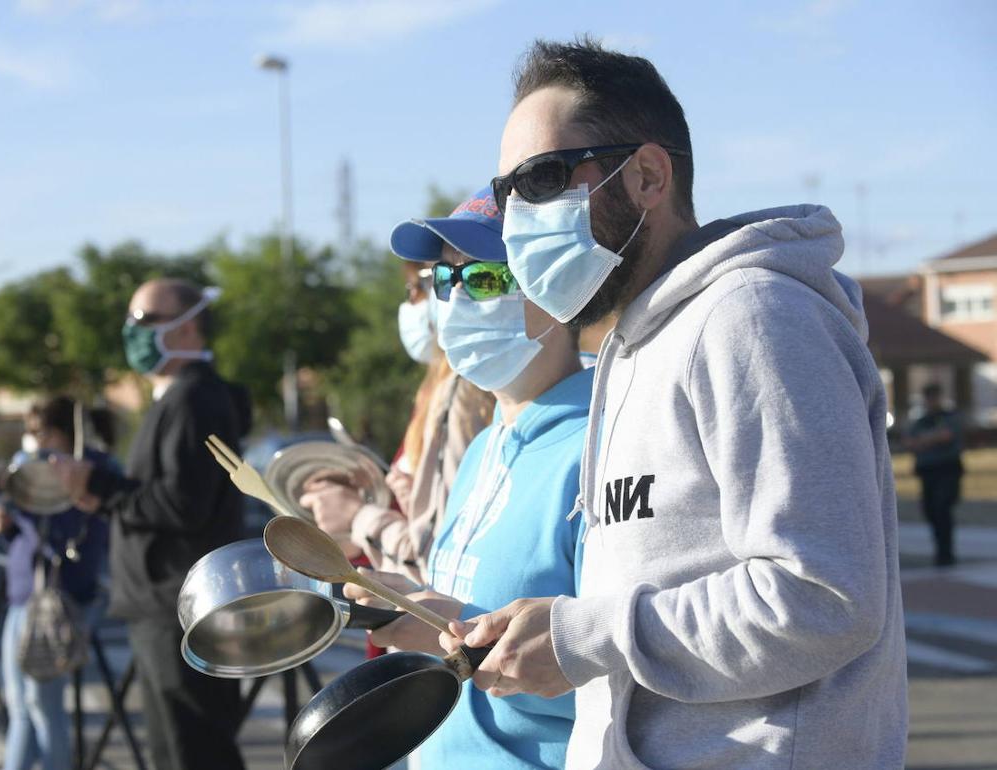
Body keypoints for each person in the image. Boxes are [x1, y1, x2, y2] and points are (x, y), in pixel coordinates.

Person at [442, 38, 908, 769]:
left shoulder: (753, 317)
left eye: (539, 181)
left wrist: (584, 638)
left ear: (650, 176)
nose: (514, 221)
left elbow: (823, 596)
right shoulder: (637, 345)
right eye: (506, 194)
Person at [345, 186, 592, 768]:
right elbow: (470, 624)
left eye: (483, 280)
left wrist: (453, 630)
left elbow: (631, 674)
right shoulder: (482, 447)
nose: (452, 302)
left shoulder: (602, 447)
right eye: (442, 281)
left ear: (555, 290)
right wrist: (422, 613)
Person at [51, 279, 249, 770]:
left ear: (187, 328)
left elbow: (183, 505)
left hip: (178, 610)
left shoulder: (193, 398)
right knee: (177, 749)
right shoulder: (177, 396)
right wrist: (99, 493)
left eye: (142, 321)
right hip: (165, 608)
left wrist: (100, 484)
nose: (130, 332)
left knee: (193, 751)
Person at [301, 258, 493, 584]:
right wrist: (377, 490)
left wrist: (358, 516)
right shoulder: (438, 389)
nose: (412, 301)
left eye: (422, 286)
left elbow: (440, 560)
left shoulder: (462, 393)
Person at [0, 396, 114, 770]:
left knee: (43, 707)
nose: (35, 442)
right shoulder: (34, 470)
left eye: (41, 433)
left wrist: (25, 509)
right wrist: (7, 526)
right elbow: (26, 543)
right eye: (30, 433)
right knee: (21, 705)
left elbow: (75, 540)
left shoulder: (88, 470)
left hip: (60, 601)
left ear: (64, 434)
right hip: (23, 597)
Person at [905, 383, 965, 567]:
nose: (932, 401)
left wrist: (925, 440)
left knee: (942, 509)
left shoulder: (949, 417)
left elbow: (946, 436)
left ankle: (946, 553)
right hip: (927, 472)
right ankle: (940, 551)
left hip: (947, 470)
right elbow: (910, 442)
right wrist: (932, 438)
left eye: (934, 397)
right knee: (931, 511)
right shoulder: (921, 421)